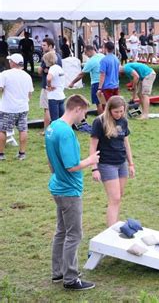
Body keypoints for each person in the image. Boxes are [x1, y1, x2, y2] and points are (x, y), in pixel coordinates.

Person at [45, 94, 99, 291]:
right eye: (84, 113)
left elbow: (52, 162)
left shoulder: (52, 127)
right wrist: (91, 160)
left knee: (61, 231)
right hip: (69, 190)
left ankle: (58, 271)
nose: (83, 118)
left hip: (57, 186)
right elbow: (72, 166)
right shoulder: (66, 133)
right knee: (74, 234)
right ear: (77, 109)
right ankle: (70, 278)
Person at [90, 96, 134, 226]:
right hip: (106, 164)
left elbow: (126, 143)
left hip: (121, 163)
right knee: (114, 198)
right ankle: (110, 231)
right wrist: (94, 168)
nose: (119, 114)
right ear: (109, 110)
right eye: (116, 112)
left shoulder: (123, 121)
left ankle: (114, 224)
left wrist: (131, 163)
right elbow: (92, 146)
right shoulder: (99, 122)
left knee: (119, 196)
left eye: (121, 111)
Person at [0, 54, 34, 161]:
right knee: (23, 130)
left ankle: (1, 154)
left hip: (7, 108)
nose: (9, 63)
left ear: (13, 63)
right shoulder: (27, 76)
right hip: (23, 108)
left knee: (2, 130)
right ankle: (22, 153)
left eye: (10, 61)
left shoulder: (5, 74)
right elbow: (30, 94)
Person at [69, 45, 105, 115]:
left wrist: (72, 83)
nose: (85, 54)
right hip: (104, 81)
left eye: (85, 52)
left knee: (98, 103)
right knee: (103, 102)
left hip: (96, 83)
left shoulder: (91, 61)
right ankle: (106, 117)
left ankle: (101, 119)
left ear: (90, 51)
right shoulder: (102, 56)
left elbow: (81, 74)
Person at [38, 38, 62, 133]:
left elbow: (40, 71)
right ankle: (58, 128)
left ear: (50, 46)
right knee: (57, 110)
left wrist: (45, 71)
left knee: (47, 109)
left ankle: (46, 130)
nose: (42, 46)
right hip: (58, 88)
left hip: (48, 87)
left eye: (44, 45)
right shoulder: (58, 56)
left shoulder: (47, 56)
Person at [44, 51, 66, 122]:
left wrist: (49, 86)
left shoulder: (52, 68)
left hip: (53, 96)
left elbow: (49, 78)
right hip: (61, 95)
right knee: (62, 118)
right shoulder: (59, 68)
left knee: (55, 119)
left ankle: (56, 132)